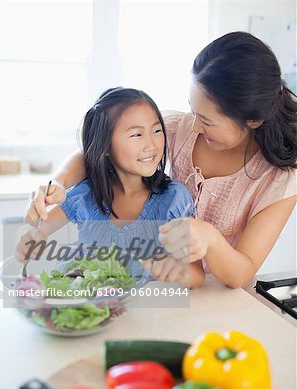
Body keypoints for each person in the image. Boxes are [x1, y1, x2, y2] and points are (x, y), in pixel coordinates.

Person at [25, 32, 297, 289]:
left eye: (207, 120)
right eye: (193, 111)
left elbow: (241, 273)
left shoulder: (279, 177)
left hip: (221, 303)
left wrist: (210, 239)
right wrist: (58, 183)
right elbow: (100, 149)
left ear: (254, 120)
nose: (196, 127)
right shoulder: (176, 127)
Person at [17, 87, 205, 288]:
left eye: (157, 130)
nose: (151, 144)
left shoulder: (174, 199)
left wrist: (171, 269)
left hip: (144, 312)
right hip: (87, 304)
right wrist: (32, 238)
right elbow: (41, 229)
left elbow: (196, 275)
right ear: (105, 145)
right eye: (136, 135)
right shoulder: (87, 194)